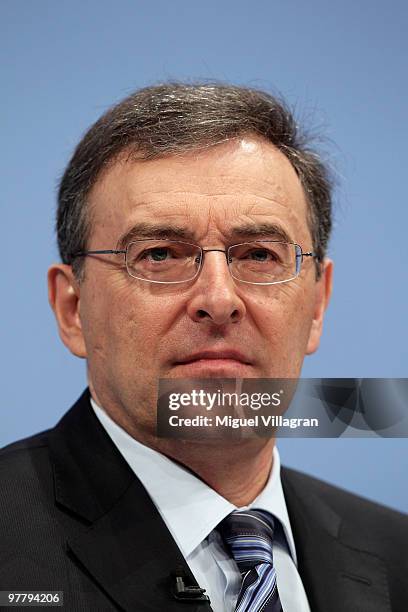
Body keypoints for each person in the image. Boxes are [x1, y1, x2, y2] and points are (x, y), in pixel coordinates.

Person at [0, 82, 406, 612]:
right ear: (72, 309)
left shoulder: (395, 554)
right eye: (160, 253)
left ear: (317, 305)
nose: (219, 299)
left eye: (260, 255)